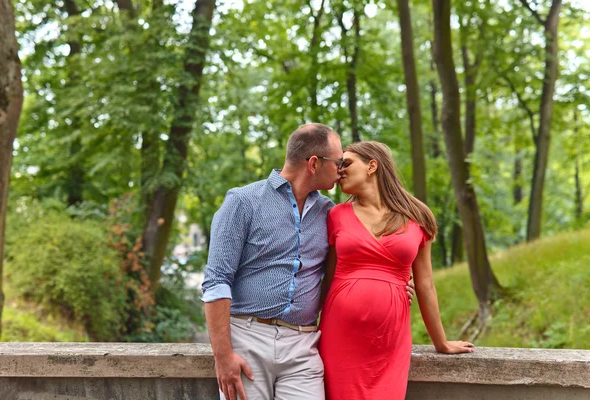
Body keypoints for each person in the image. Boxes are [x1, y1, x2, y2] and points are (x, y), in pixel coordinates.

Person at [202, 124, 414, 400]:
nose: (341, 170)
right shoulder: (243, 202)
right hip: (247, 337)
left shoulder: (329, 213)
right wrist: (223, 355)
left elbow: (348, 266)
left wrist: (396, 283)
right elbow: (217, 281)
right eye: (338, 162)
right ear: (314, 163)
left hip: (303, 344)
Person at [318, 141, 474, 400]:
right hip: (339, 338)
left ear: (372, 165)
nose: (340, 170)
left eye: (346, 163)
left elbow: (425, 285)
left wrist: (441, 342)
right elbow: (327, 278)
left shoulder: (418, 216)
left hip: (389, 341)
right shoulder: (336, 215)